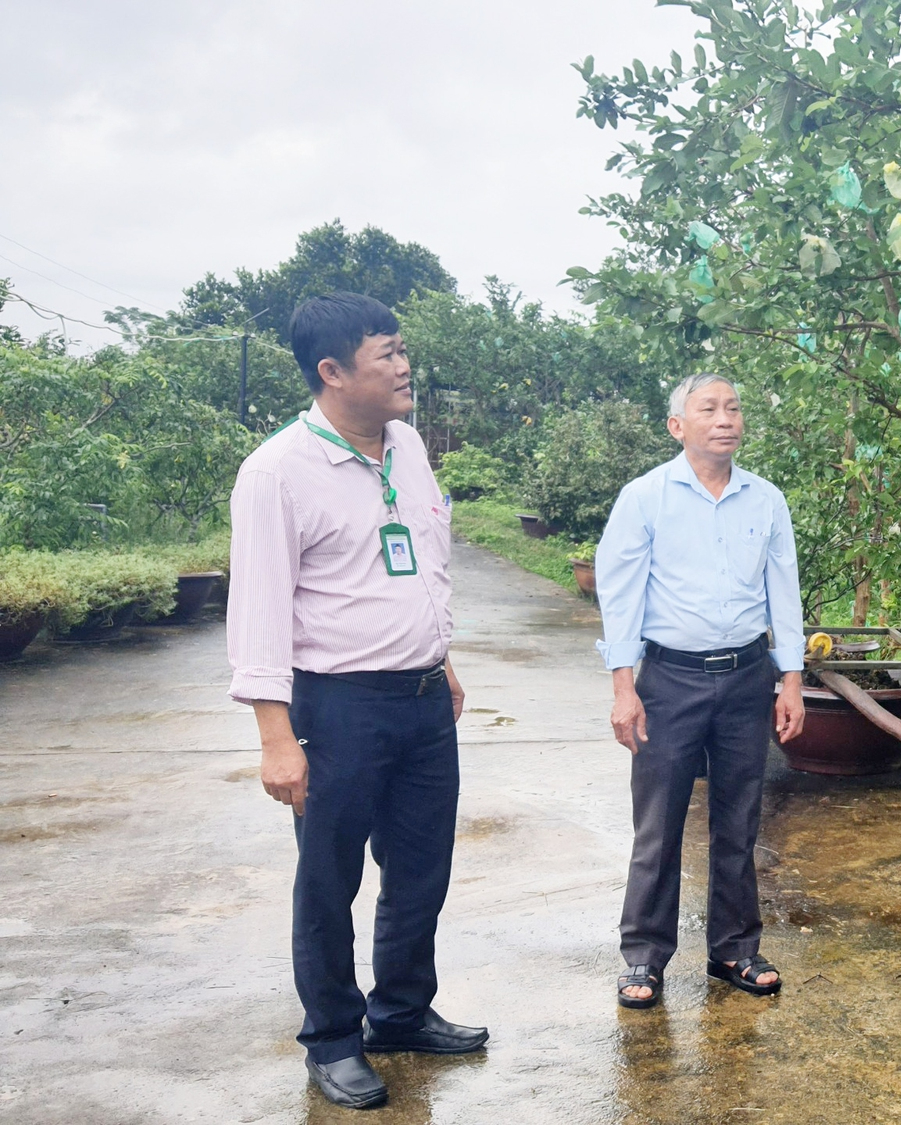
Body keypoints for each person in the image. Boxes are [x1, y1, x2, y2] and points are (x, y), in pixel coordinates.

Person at [228, 292, 485, 1112]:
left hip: (420, 701)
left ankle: (401, 1013)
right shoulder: (276, 473)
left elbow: (423, 561)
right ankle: (334, 1039)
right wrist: (278, 737)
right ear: (332, 372)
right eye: (387, 354)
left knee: (420, 871)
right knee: (328, 878)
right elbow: (261, 610)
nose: (405, 366)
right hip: (337, 708)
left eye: (403, 349)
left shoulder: (406, 445)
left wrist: (438, 657)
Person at [595, 373, 807, 1009]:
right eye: (708, 408)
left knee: (739, 819)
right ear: (676, 425)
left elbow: (784, 593)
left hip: (747, 677)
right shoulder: (645, 497)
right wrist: (623, 687)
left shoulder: (765, 499)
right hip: (668, 680)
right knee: (657, 823)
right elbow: (620, 593)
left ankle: (735, 949)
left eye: (734, 407)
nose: (725, 419)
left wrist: (790, 677)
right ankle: (644, 956)